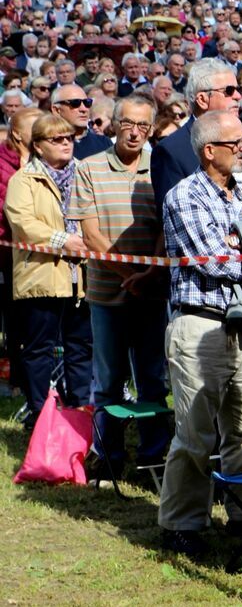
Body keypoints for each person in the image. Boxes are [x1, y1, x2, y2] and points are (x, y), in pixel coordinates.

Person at [158, 110, 242, 556]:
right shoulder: (183, 196)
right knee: (195, 433)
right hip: (200, 325)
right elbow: (215, 262)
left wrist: (241, 243)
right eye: (236, 143)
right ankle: (182, 524)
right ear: (209, 150)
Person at [68, 95, 171, 478]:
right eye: (128, 123)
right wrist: (126, 276)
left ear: (151, 129)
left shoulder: (159, 166)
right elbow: (90, 233)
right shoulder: (89, 167)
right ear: (113, 123)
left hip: (151, 292)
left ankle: (153, 457)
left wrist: (146, 278)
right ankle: (108, 456)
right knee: (109, 381)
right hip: (106, 292)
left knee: (152, 379)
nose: (135, 132)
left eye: (143, 126)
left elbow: (166, 225)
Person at [4, 114, 92, 421]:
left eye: (69, 138)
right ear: (39, 146)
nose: (66, 143)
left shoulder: (84, 172)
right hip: (41, 275)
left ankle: (81, 410)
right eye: (57, 139)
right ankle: (41, 414)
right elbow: (22, 222)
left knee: (80, 346)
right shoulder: (23, 180)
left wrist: (87, 238)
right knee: (39, 349)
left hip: (80, 276)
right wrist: (63, 240)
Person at [151, 58, 242, 218]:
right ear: (202, 99)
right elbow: (176, 219)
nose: (238, 96)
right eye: (228, 90)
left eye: (237, 89)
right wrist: (239, 239)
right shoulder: (171, 151)